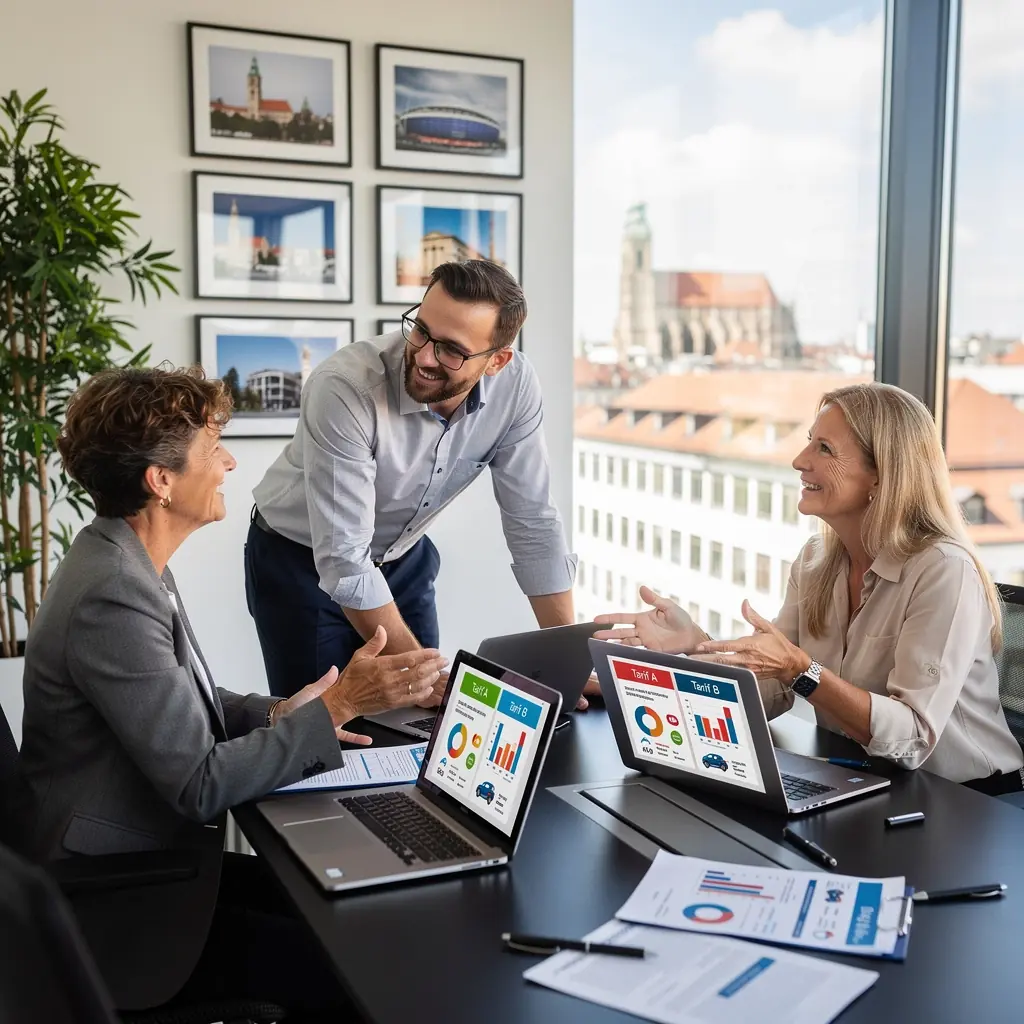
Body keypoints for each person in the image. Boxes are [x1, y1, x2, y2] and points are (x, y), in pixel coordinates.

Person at [10, 366, 446, 1019]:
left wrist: (281, 711)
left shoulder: (121, 559)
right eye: (214, 449)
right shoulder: (114, 593)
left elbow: (189, 702)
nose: (229, 462)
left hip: (152, 865)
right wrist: (336, 706)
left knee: (347, 914)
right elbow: (199, 784)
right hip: (120, 908)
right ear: (160, 482)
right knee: (357, 969)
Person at [596, 382, 1023, 791]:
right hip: (864, 778)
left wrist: (803, 670)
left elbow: (912, 738)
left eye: (824, 449)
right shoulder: (816, 561)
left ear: (881, 476)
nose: (800, 460)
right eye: (808, 441)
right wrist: (697, 646)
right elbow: (775, 688)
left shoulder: (943, 570)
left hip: (968, 803)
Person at [247, 259, 578, 701]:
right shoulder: (344, 387)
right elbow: (345, 560)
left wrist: (568, 662)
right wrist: (424, 680)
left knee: (422, 723)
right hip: (297, 563)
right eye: (420, 329)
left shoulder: (516, 387)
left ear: (497, 360)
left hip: (403, 558)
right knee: (321, 732)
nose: (423, 356)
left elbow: (533, 523)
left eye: (452, 350)